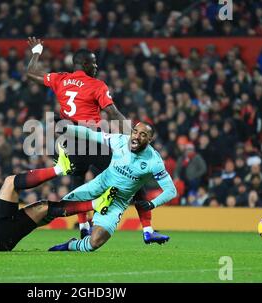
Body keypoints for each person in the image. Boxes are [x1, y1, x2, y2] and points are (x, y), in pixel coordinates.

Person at [25, 37, 169, 244]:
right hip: (93, 141)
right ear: (84, 64)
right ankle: (147, 230)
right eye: (93, 63)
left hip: (70, 142)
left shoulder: (60, 79)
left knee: (78, 183)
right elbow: (113, 113)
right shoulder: (96, 85)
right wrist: (133, 134)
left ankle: (84, 227)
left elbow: (30, 73)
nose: (96, 66)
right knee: (133, 179)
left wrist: (37, 51)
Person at [49, 122, 177, 252]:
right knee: (56, 208)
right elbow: (90, 134)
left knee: (93, 243)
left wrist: (152, 204)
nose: (137, 136)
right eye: (135, 131)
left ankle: (71, 245)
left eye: (143, 135)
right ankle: (30, 224)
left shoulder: (154, 161)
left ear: (150, 140)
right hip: (98, 186)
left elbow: (171, 191)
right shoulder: (119, 140)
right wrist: (67, 128)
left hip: (116, 201)